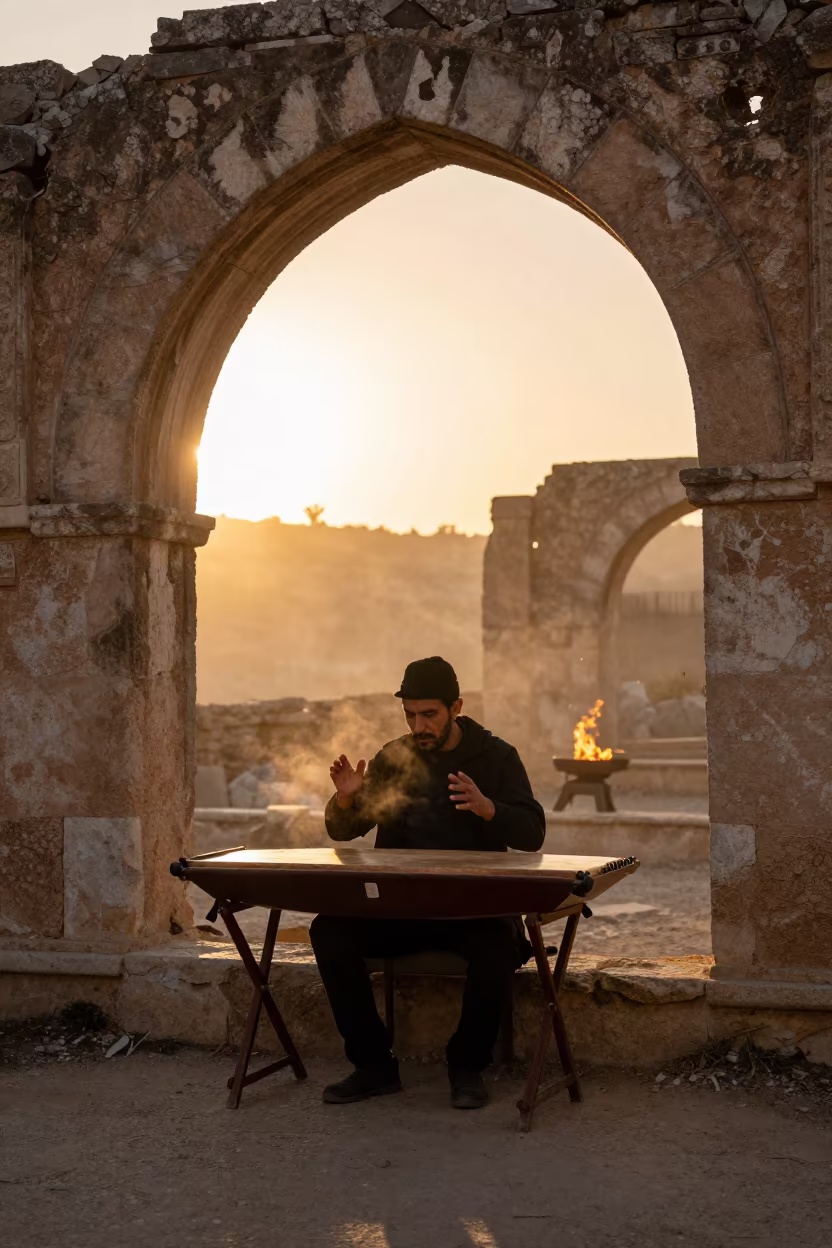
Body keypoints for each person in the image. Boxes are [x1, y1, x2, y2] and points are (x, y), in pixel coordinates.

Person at [310, 655, 545, 1110]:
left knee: (498, 941)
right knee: (329, 932)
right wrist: (345, 799)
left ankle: (466, 1066)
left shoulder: (496, 756)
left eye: (429, 714)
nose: (419, 725)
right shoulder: (393, 758)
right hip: (399, 907)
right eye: (410, 715)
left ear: (456, 706)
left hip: (470, 909)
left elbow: (533, 833)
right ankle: (374, 1066)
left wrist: (489, 809)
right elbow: (344, 831)